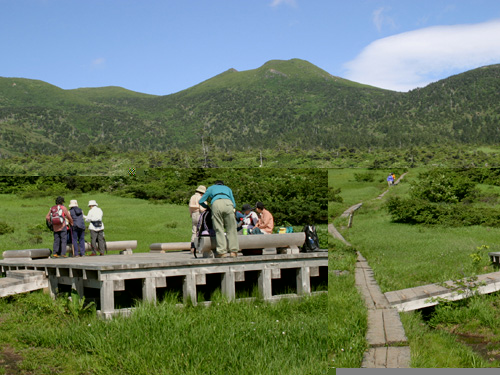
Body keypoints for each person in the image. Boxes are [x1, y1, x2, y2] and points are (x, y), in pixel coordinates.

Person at [199, 180, 239, 258]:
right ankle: (233, 251)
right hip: (228, 203)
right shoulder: (228, 188)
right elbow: (234, 204)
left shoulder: (211, 188)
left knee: (219, 228)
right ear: (222, 185)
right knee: (231, 228)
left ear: (215, 184)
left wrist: (207, 207)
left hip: (216, 204)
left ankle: (222, 251)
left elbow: (201, 201)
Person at [189, 185, 206, 255]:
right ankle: (200, 246)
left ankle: (193, 247)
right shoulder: (200, 198)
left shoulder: (192, 197)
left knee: (194, 231)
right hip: (199, 214)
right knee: (201, 230)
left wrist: (191, 214)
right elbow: (202, 208)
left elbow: (189, 207)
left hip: (193, 214)